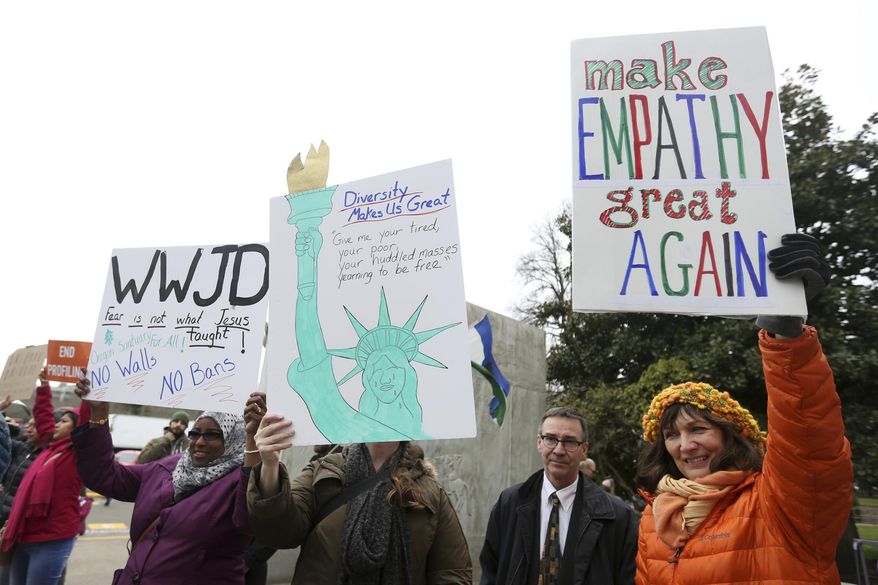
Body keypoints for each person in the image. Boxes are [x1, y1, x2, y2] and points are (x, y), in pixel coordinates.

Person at [633, 233, 852, 584]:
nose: (685, 445)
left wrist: (787, 335)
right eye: (672, 435)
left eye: (698, 429)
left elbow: (809, 439)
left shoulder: (779, 504)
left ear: (731, 436)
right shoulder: (654, 517)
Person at [73, 372, 265, 585]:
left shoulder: (241, 480)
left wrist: (252, 441)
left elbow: (251, 519)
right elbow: (105, 476)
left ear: (233, 440)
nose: (199, 441)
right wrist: (98, 413)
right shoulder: (168, 467)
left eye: (212, 434)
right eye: (195, 433)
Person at [248, 413, 472, 584]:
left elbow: (452, 572)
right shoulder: (323, 472)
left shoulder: (430, 491)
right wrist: (269, 465)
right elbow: (279, 533)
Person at [480, 406, 638, 585]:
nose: (559, 450)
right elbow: (490, 570)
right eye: (551, 439)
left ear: (584, 450)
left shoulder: (617, 517)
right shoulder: (509, 503)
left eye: (570, 441)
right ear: (539, 442)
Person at [0, 368, 90, 585]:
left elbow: (88, 425)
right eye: (58, 421)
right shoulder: (49, 447)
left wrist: (88, 398)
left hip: (52, 538)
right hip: (25, 532)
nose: (58, 423)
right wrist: (44, 386)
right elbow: (43, 417)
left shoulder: (77, 453)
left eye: (66, 421)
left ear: (77, 428)